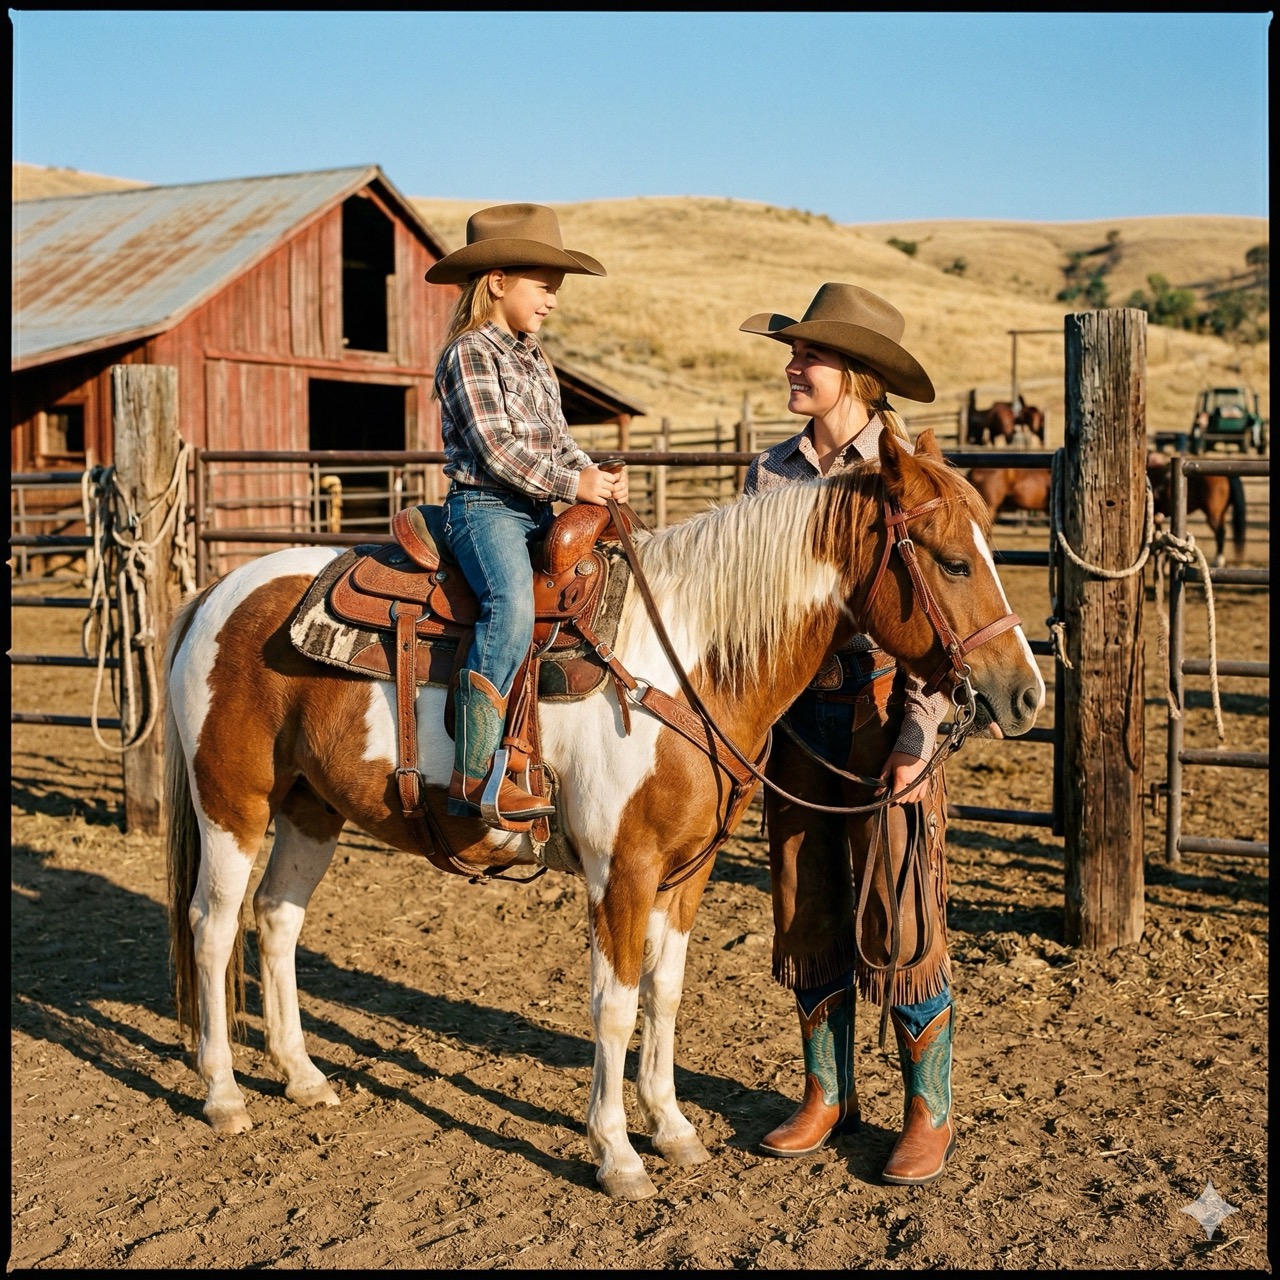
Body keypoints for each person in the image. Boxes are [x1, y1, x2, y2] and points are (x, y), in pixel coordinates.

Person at [739, 282, 956, 1185]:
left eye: (810, 355)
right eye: (794, 353)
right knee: (805, 905)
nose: (793, 366)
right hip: (795, 723)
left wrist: (917, 737)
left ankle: (929, 1109)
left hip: (881, 713)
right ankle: (827, 1093)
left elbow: (940, 619)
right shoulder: (770, 475)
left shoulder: (907, 477)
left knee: (900, 908)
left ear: (858, 375)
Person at [424, 203, 628, 826]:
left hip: (536, 507)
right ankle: (474, 771)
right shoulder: (469, 353)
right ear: (497, 281)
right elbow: (495, 449)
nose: (552, 301)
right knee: (510, 607)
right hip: (485, 507)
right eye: (544, 287)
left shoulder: (533, 357)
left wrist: (594, 475)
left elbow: (558, 439)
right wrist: (573, 482)